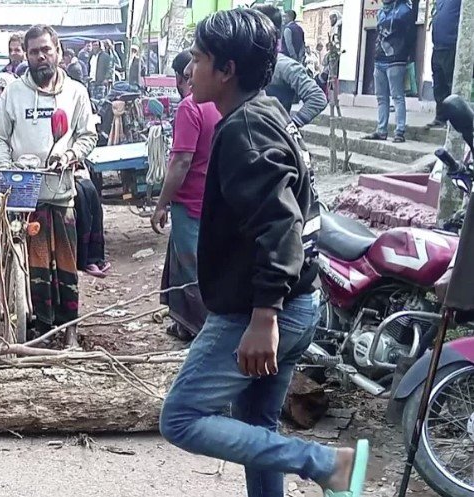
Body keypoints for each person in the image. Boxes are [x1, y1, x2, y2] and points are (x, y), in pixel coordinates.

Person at [158, 9, 369, 497]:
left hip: (260, 312)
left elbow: (280, 225)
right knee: (256, 424)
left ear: (226, 69)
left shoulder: (245, 129)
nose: (190, 68)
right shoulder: (266, 112)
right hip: (294, 304)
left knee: (182, 417)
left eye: (200, 57)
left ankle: (323, 463)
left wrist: (263, 317)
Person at [0, 24, 98, 346]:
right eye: (34, 51)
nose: (40, 57)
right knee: (35, 263)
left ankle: (70, 331)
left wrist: (71, 154)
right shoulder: (13, 92)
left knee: (66, 262)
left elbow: (88, 136)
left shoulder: (76, 92)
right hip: (26, 193)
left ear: (58, 53)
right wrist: (5, 167)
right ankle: (40, 327)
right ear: (27, 54)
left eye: (46, 50)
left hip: (61, 189)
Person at [151, 50, 221, 342]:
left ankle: (203, 332)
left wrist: (161, 203)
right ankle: (184, 324)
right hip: (215, 201)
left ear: (182, 77)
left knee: (191, 270)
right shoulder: (221, 104)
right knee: (197, 264)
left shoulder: (190, 108)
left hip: (190, 202)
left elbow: (180, 161)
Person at [257, 5, 328, 127]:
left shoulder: (284, 66)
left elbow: (317, 98)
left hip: (273, 137)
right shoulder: (241, 62)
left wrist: (291, 127)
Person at [363, 0, 414, 143]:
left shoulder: (405, 10)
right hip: (379, 59)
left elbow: (410, 35)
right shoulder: (380, 12)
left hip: (396, 59)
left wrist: (405, 55)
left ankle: (399, 131)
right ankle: (381, 130)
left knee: (397, 96)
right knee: (381, 98)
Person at [427, 0, 461, 129]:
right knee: (438, 85)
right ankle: (440, 118)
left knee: (451, 83)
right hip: (437, 47)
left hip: (451, 46)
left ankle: (454, 120)